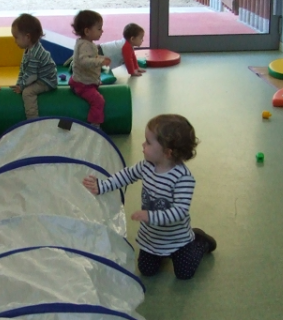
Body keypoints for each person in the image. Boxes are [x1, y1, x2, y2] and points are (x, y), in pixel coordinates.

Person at [82, 114, 216, 280]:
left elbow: (180, 212)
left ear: (168, 152)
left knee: (184, 274)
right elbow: (126, 175)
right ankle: (161, 253)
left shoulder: (183, 178)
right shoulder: (146, 166)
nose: (143, 144)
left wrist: (149, 215)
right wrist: (103, 186)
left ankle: (198, 242)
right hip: (151, 237)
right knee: (146, 270)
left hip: (177, 240)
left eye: (148, 142)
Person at [10, 13, 58, 119]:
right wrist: (19, 84)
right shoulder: (28, 50)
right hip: (37, 76)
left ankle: (33, 120)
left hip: (46, 80)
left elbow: (31, 76)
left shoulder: (35, 53)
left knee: (27, 93)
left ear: (27, 37)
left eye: (16, 37)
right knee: (25, 86)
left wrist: (22, 87)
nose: (15, 41)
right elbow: (23, 69)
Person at [70, 10, 111, 128]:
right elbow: (84, 61)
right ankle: (94, 126)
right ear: (87, 31)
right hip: (82, 84)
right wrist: (100, 61)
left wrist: (101, 58)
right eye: (99, 28)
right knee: (99, 101)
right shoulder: (84, 45)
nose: (102, 31)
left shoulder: (86, 43)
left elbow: (91, 57)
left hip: (87, 80)